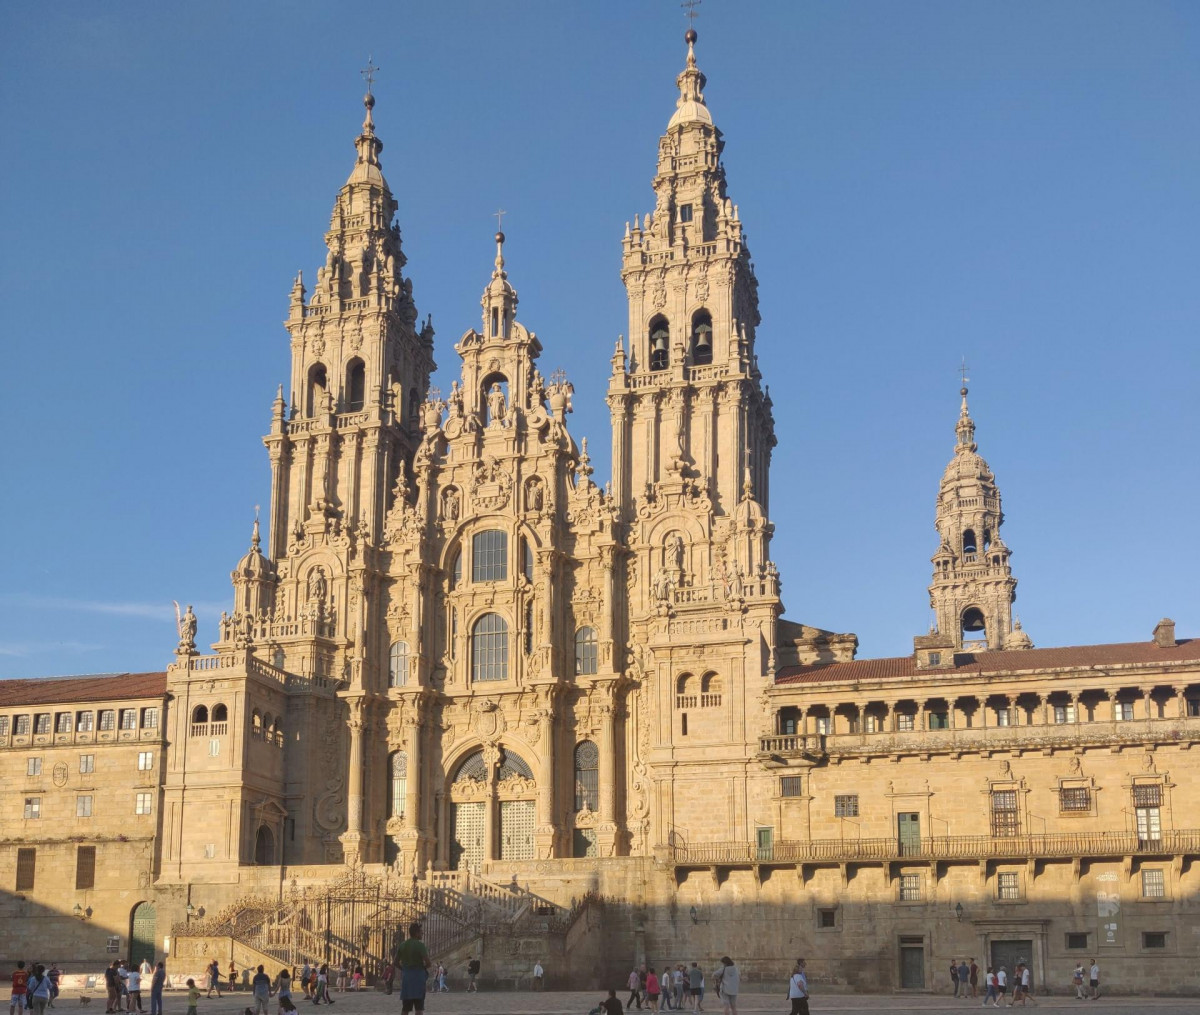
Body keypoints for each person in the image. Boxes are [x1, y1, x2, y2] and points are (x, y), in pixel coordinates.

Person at [396, 922, 431, 1014]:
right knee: (419, 1008)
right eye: (421, 932)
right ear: (416, 933)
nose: (422, 933)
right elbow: (428, 963)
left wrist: (404, 969)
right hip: (418, 978)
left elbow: (395, 962)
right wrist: (423, 968)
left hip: (407, 979)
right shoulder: (420, 945)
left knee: (405, 1008)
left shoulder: (402, 945)